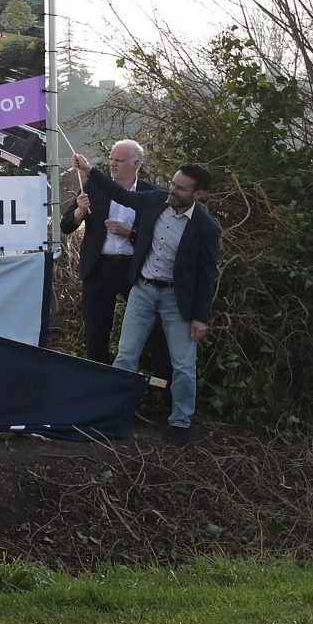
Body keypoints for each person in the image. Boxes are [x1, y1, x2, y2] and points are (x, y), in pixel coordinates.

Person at [73, 152, 224, 442]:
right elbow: (117, 191)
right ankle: (114, 415)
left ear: (199, 194)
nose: (173, 190)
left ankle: (180, 422)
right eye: (173, 183)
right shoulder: (154, 200)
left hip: (176, 300)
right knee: (125, 356)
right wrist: (90, 171)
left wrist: (201, 317)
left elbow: (207, 275)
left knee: (182, 364)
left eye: (181, 188)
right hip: (142, 290)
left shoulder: (206, 228)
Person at [60, 138, 157, 363]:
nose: (113, 164)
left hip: (133, 271)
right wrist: (79, 213)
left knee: (150, 329)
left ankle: (152, 382)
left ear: (137, 163)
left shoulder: (150, 193)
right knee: (96, 335)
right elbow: (66, 226)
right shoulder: (93, 187)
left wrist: (130, 233)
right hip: (98, 268)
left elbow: (158, 238)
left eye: (119, 160)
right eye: (111, 159)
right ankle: (98, 383)